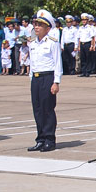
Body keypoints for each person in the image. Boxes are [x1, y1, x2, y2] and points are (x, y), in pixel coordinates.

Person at [25, 9, 63, 152]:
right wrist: (31, 78)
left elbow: (57, 63)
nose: (36, 27)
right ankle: (40, 139)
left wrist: (56, 82)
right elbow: (32, 63)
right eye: (35, 24)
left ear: (48, 28)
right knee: (38, 110)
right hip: (36, 78)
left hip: (48, 77)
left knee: (47, 110)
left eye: (40, 25)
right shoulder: (33, 43)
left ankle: (49, 139)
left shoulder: (52, 43)